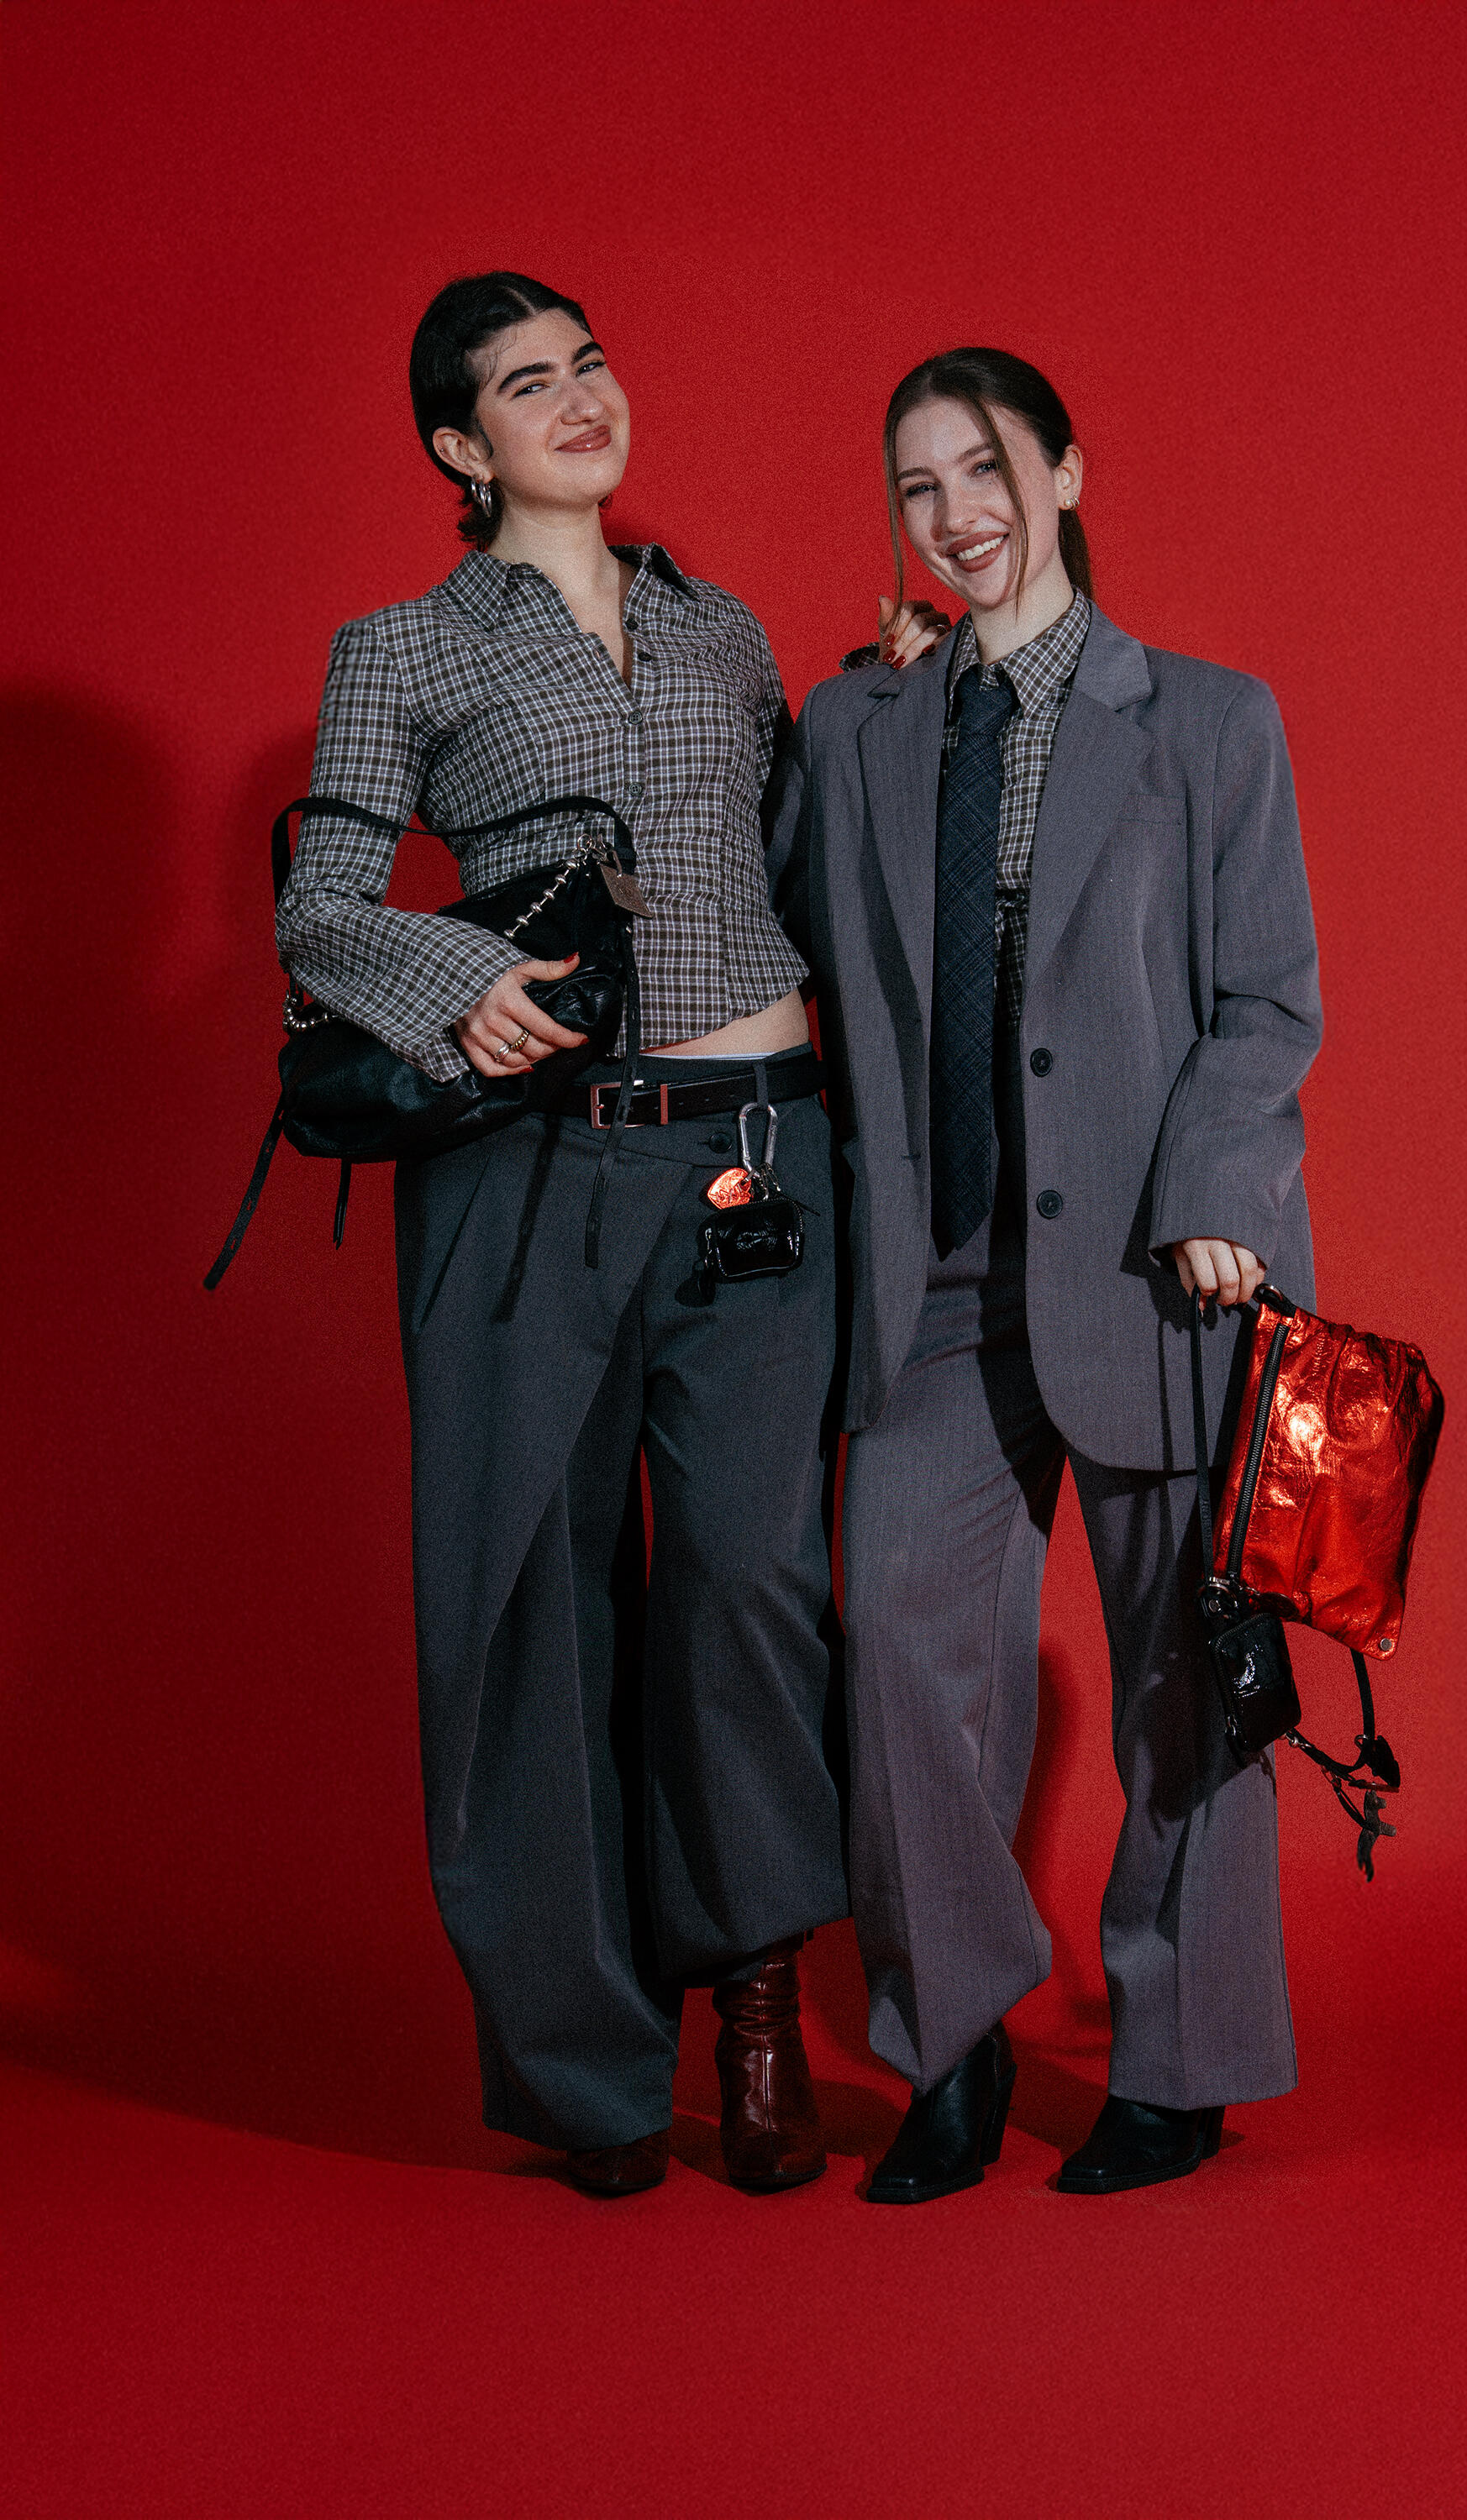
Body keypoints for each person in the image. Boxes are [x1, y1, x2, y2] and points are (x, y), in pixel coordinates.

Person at [277, 272, 863, 2197]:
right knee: (532, 1605)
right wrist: (462, 982)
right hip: (533, 1175)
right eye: (529, 385)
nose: (580, 399)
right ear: (463, 444)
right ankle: (590, 2067)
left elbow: (810, 872)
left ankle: (756, 2002)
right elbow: (319, 907)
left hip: (758, 1156)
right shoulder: (401, 648)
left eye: (590, 362)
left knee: (748, 1581)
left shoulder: (726, 629)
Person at [767, 347, 1322, 2202]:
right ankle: (949, 2045)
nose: (954, 515)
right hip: (935, 1270)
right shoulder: (856, 728)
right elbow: (772, 927)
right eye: (916, 488)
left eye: (985, 469)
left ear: (1066, 472)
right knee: (901, 1657)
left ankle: (1182, 2058)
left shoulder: (1210, 722)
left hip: (1161, 1270)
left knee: (1186, 1672)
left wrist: (1218, 1184)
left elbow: (1265, 1002)